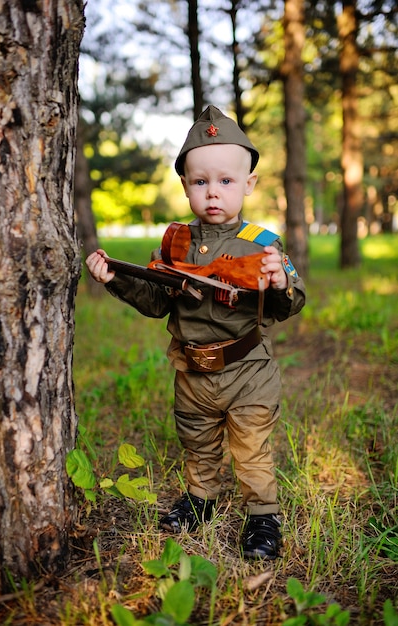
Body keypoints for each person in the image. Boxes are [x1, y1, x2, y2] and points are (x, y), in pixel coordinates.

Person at [86, 105, 306, 560]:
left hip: (248, 370)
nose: (213, 193)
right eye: (200, 181)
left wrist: (282, 282)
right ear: (185, 185)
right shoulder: (174, 242)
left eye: (226, 181)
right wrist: (117, 279)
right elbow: (155, 300)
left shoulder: (263, 244)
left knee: (251, 450)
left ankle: (263, 518)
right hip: (192, 371)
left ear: (249, 184)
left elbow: (289, 303)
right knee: (198, 442)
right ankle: (200, 501)